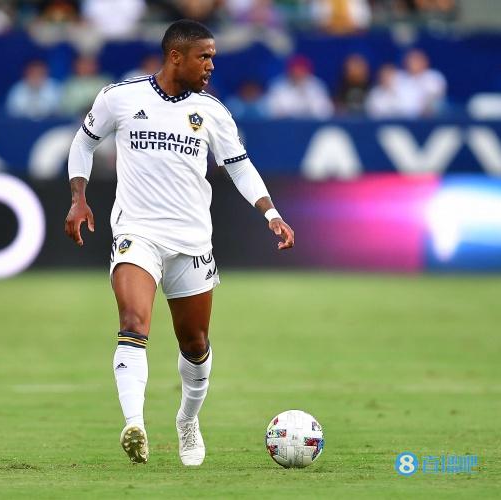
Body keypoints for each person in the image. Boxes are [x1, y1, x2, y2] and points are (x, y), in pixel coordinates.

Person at [64, 19, 294, 466]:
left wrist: (271, 213)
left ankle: (187, 420)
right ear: (176, 56)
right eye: (203, 56)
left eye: (212, 57)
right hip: (137, 234)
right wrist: (78, 198)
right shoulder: (120, 97)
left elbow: (239, 166)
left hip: (192, 242)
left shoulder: (212, 111)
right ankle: (135, 424)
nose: (211, 65)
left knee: (195, 343)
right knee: (133, 322)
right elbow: (83, 143)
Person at [266, 55, 333, 119]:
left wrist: (305, 93)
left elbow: (325, 112)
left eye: (301, 70)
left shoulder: (317, 86)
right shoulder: (277, 86)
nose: (298, 74)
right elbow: (271, 111)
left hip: (311, 124)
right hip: (284, 124)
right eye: (295, 70)